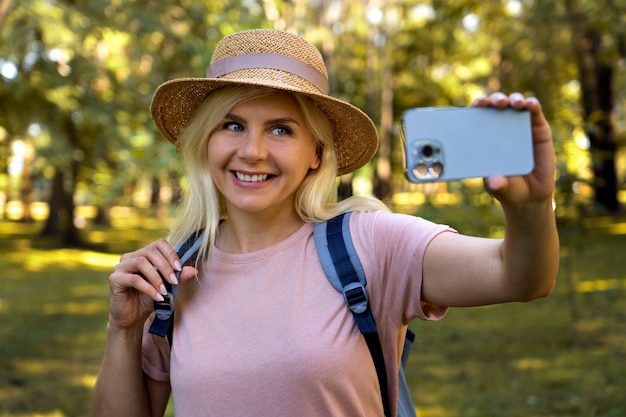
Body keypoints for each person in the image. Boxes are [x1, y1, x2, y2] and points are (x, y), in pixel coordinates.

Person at [93, 29, 559, 417]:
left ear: (316, 153)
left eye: (281, 129)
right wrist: (124, 329)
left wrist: (531, 207)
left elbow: (517, 275)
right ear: (205, 141)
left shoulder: (369, 243)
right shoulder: (172, 276)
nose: (252, 151)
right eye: (231, 125)